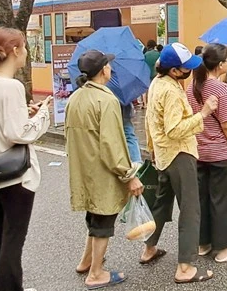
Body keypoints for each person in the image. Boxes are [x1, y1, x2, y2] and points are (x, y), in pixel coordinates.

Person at [0, 27, 53, 291]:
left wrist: (26, 113)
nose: (26, 53)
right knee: (13, 240)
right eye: (24, 47)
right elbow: (19, 132)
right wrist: (42, 115)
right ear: (14, 51)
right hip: (16, 174)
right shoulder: (12, 86)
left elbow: (2, 124)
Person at [141, 43, 218, 284]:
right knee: (190, 210)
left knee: (161, 206)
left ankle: (149, 248)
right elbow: (175, 130)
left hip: (163, 155)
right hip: (179, 154)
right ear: (175, 71)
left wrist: (152, 147)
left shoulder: (156, 84)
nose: (190, 71)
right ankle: (185, 267)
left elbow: (149, 120)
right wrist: (203, 113)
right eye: (186, 68)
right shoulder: (172, 91)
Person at [67, 50, 144, 289]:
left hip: (83, 170)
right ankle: (96, 273)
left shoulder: (76, 97)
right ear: (103, 71)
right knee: (103, 222)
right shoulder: (107, 100)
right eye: (109, 65)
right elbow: (112, 144)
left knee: (93, 217)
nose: (111, 68)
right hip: (103, 173)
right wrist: (129, 176)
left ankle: (86, 261)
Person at [186, 44, 227, 263]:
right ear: (220, 65)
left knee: (202, 199)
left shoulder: (191, 87)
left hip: (199, 152)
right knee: (223, 201)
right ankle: (223, 250)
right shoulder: (221, 89)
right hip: (220, 153)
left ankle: (203, 243)